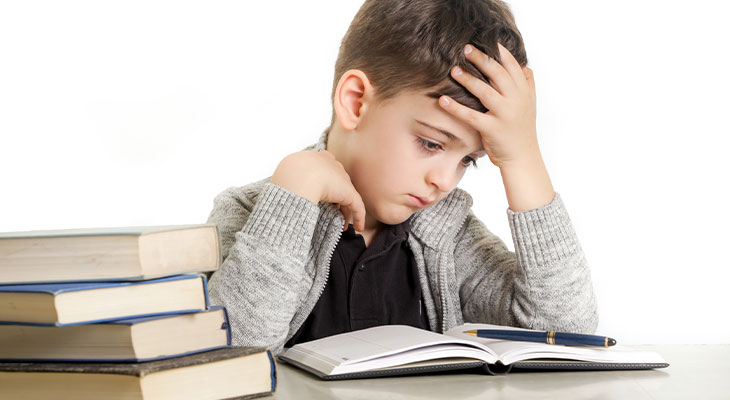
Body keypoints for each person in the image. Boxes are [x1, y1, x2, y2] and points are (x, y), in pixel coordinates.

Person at [207, 0, 598, 355]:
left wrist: (522, 157)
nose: (445, 181)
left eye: (469, 160)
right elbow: (231, 356)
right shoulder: (248, 214)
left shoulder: (449, 235)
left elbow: (565, 330)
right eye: (430, 143)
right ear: (355, 101)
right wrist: (294, 191)